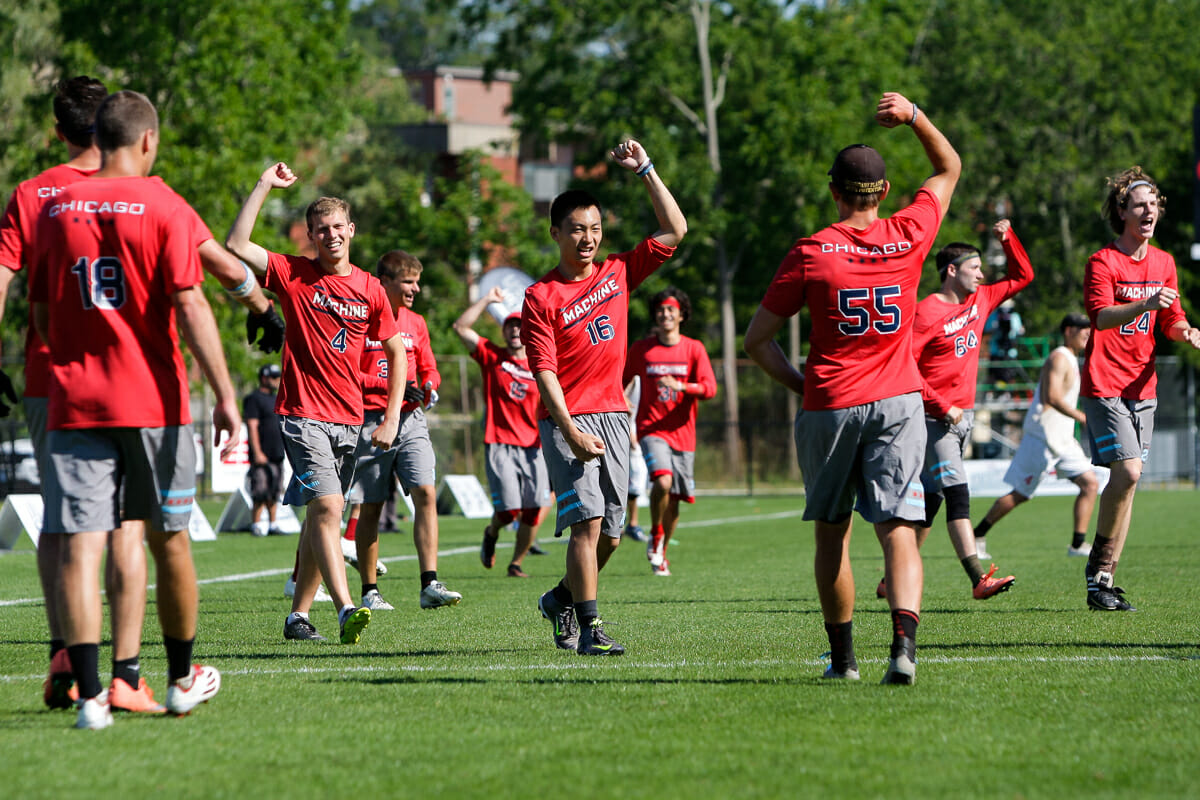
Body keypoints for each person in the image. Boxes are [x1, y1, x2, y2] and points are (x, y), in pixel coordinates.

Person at [0, 78, 279, 716]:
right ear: (146, 140)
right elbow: (195, 299)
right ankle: (172, 676)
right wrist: (228, 392)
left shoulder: (50, 205)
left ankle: (89, 693)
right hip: (152, 401)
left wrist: (72, 351)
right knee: (162, 536)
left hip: (68, 395)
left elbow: (37, 309)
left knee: (76, 536)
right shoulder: (163, 204)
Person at [744, 92, 960, 685]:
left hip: (831, 404)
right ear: (884, 192)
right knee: (898, 529)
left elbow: (756, 341)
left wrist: (800, 384)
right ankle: (905, 649)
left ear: (833, 190)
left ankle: (843, 663)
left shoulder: (811, 252)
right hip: (898, 401)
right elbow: (948, 167)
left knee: (833, 532)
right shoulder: (912, 232)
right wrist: (916, 115)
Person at [226, 162, 405, 643]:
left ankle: (297, 617)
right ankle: (347, 607)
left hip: (351, 419)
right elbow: (236, 246)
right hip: (302, 415)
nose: (330, 236)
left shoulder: (370, 287)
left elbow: (396, 350)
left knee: (321, 517)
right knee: (328, 509)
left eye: (337, 228)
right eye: (320, 229)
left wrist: (389, 417)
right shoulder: (293, 274)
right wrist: (264, 183)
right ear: (310, 234)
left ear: (351, 231)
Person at [525, 138, 687, 656]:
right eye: (577, 228)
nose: (588, 237)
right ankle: (590, 628)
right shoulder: (540, 296)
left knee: (612, 536)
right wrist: (569, 430)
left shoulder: (618, 272)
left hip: (616, 417)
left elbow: (675, 230)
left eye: (595, 228)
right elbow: (545, 373)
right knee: (587, 524)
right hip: (567, 421)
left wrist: (646, 169)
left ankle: (560, 600)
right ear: (555, 234)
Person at [1078, 167, 1200, 611]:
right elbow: (1101, 316)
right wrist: (1144, 303)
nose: (1149, 211)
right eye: (1140, 204)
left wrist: (1185, 330)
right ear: (1122, 212)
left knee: (1129, 483)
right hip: (1105, 382)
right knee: (1127, 472)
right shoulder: (1102, 261)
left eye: (1154, 204)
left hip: (1142, 385)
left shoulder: (1164, 262)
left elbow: (1171, 315)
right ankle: (1097, 568)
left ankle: (1103, 580)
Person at [907, 220, 1031, 600]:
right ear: (951, 271)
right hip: (935, 421)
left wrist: (1008, 238)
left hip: (964, 417)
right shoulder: (926, 312)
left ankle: (892, 573)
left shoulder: (982, 300)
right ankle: (978, 578)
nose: (981, 274)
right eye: (974, 268)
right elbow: (906, 366)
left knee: (931, 501)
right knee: (959, 497)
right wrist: (941, 405)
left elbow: (1023, 274)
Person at [347, 250, 461, 610]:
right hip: (371, 421)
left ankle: (430, 584)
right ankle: (369, 591)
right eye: (408, 282)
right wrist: (386, 386)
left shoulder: (416, 322)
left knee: (426, 492)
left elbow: (428, 367)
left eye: (416, 281)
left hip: (411, 420)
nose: (416, 288)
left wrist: (429, 383)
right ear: (385, 283)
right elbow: (348, 372)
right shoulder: (359, 319)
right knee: (371, 506)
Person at [973, 313, 1098, 558]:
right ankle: (977, 534)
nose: (1088, 332)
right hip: (1042, 438)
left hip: (1062, 439)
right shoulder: (1060, 357)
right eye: (1083, 328)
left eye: (1089, 328)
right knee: (1019, 494)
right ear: (1068, 331)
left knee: (1090, 484)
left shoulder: (1071, 359)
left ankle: (1077, 545)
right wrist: (1081, 417)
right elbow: (1050, 397)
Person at [453, 286, 550, 579]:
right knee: (508, 511)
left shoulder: (541, 363)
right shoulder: (492, 356)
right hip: (500, 443)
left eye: (521, 325)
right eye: (510, 326)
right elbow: (460, 327)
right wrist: (486, 300)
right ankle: (492, 532)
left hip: (535, 445)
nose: (516, 330)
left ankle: (516, 563)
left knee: (534, 511)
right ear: (504, 332)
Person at [623, 287, 717, 576]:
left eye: (671, 309)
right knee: (662, 482)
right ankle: (654, 531)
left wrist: (683, 387)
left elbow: (709, 388)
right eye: (661, 309)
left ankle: (661, 550)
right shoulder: (641, 349)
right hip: (652, 430)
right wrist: (624, 403)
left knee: (675, 498)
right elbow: (621, 380)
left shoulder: (694, 348)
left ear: (681, 314)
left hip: (683, 435)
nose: (665, 314)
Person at [245, 363, 285, 536]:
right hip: (262, 453)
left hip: (277, 452)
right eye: (274, 377)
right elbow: (252, 426)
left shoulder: (277, 398)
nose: (277, 380)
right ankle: (256, 524)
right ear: (264, 378)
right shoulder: (254, 399)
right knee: (260, 490)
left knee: (275, 490)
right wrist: (258, 451)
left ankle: (273, 524)